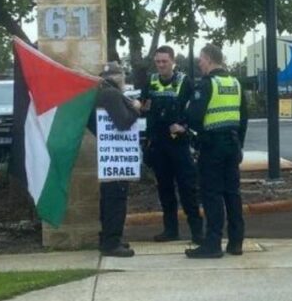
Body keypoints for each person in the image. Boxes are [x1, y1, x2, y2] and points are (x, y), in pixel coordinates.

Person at [184, 44, 248, 259]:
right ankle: (236, 242)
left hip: (212, 147)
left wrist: (195, 137)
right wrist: (239, 145)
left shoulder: (207, 84)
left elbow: (194, 116)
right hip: (232, 144)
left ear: (209, 59)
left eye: (201, 59)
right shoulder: (235, 83)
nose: (199, 63)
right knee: (232, 193)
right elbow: (243, 119)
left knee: (212, 194)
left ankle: (212, 244)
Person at [143, 45, 204, 244]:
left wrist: (184, 126)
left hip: (178, 144)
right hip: (158, 144)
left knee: (187, 188)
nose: (161, 65)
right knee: (165, 189)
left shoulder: (184, 81)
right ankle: (170, 230)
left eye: (164, 61)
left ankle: (197, 232)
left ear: (173, 61)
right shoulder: (151, 81)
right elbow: (143, 106)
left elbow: (195, 110)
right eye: (158, 62)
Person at [88, 61, 142, 257]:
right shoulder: (111, 94)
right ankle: (112, 243)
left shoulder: (101, 93)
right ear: (119, 77)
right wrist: (136, 108)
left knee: (110, 198)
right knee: (116, 200)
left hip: (111, 155)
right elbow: (123, 122)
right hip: (116, 159)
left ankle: (110, 239)